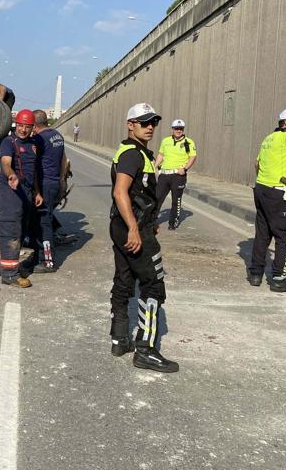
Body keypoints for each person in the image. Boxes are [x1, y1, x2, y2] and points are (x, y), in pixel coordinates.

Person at [110, 103, 179, 373]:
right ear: (130, 124)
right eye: (144, 122)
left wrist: (148, 222)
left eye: (153, 122)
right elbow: (120, 192)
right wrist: (135, 228)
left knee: (125, 279)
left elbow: (141, 194)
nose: (150, 127)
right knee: (152, 283)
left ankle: (119, 338)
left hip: (128, 223)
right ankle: (146, 350)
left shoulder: (136, 152)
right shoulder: (132, 155)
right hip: (131, 226)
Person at [247, 107, 286, 293]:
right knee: (285, 234)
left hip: (262, 189)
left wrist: (265, 181)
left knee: (263, 233)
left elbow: (257, 163)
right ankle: (280, 278)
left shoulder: (269, 139)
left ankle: (255, 273)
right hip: (281, 193)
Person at [0, 109, 43, 288]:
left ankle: (5, 266)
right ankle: (9, 275)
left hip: (28, 191)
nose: (23, 129)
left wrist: (37, 192)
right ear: (16, 124)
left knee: (21, 230)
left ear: (33, 127)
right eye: (21, 125)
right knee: (11, 231)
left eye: (27, 126)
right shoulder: (8, 142)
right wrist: (11, 175)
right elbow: (6, 163)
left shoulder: (33, 144)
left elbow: (34, 172)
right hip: (11, 191)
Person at [30, 110, 67, 272]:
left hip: (44, 185)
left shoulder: (39, 139)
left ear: (34, 124)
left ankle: (48, 262)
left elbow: (33, 165)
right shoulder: (57, 135)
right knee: (46, 220)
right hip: (55, 183)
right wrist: (62, 181)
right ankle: (40, 255)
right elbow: (64, 161)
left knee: (44, 223)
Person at [155, 119, 197, 230]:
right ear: (172, 129)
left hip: (178, 176)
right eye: (176, 128)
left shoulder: (189, 142)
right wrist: (154, 166)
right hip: (164, 175)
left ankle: (173, 222)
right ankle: (151, 220)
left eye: (180, 129)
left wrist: (185, 168)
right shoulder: (165, 141)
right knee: (157, 198)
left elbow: (193, 156)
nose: (178, 130)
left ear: (183, 130)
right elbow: (161, 154)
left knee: (176, 200)